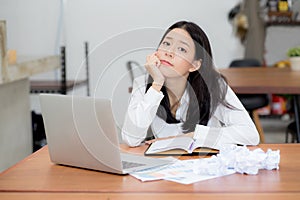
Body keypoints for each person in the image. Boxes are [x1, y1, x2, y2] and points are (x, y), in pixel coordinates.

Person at [121, 21, 259, 149]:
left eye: (181, 49)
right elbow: (131, 139)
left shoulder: (213, 85)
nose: (169, 52)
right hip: (165, 167)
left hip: (205, 166)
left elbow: (250, 134)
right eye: (166, 44)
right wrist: (156, 84)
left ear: (194, 65)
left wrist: (190, 136)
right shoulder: (144, 83)